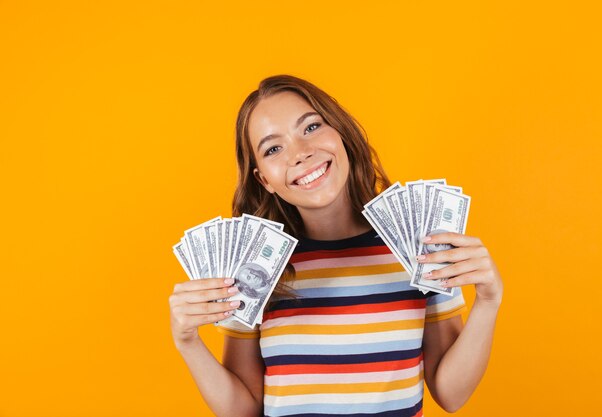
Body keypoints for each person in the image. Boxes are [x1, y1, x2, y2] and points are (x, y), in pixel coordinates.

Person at [169, 74, 503, 417]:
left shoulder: (418, 246)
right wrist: (188, 342)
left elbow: (451, 394)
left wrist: (488, 302)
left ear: (340, 132)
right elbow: (244, 411)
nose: (300, 154)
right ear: (264, 179)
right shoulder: (256, 270)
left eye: (311, 128)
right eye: (273, 148)